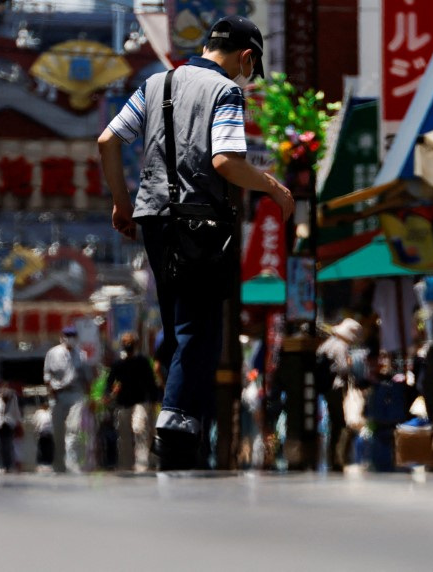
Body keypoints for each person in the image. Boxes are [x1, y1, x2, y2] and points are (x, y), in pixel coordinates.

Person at [98, 16, 294, 470]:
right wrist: (273, 187)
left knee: (176, 320)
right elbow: (225, 161)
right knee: (199, 327)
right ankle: (178, 423)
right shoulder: (226, 92)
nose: (246, 75)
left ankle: (178, 424)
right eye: (250, 67)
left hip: (153, 220)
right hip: (200, 223)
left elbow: (107, 140)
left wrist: (122, 204)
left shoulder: (155, 84)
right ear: (247, 56)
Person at [315, 317, 363, 471]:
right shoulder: (341, 346)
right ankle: (337, 458)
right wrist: (350, 366)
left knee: (334, 421)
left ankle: (332, 456)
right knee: (339, 423)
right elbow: (343, 368)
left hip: (325, 387)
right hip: (335, 387)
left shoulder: (327, 343)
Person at [106, 332, 157, 471]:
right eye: (125, 342)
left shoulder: (142, 361)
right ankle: (125, 465)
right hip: (123, 403)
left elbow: (151, 382)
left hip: (140, 402)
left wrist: (153, 400)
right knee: (124, 436)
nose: (127, 345)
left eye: (130, 342)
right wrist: (108, 394)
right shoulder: (118, 363)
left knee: (139, 430)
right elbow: (110, 381)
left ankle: (142, 463)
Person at [43, 325, 90, 473]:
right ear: (62, 336)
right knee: (58, 432)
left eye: (73, 335)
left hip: (75, 394)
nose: (70, 338)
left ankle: (72, 462)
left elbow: (86, 378)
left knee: (73, 428)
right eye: (67, 335)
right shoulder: (53, 353)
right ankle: (58, 463)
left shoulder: (81, 355)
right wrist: (51, 390)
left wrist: (89, 397)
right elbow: (47, 375)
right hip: (58, 395)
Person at [0, 380, 22, 473]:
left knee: (8, 444)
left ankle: (8, 465)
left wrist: (18, 422)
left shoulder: (13, 397)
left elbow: (16, 410)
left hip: (8, 423)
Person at [31, 400, 54, 472]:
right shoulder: (39, 412)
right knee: (41, 449)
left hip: (49, 434)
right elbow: (34, 422)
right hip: (41, 434)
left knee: (49, 449)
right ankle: (41, 464)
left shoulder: (50, 412)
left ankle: (48, 464)